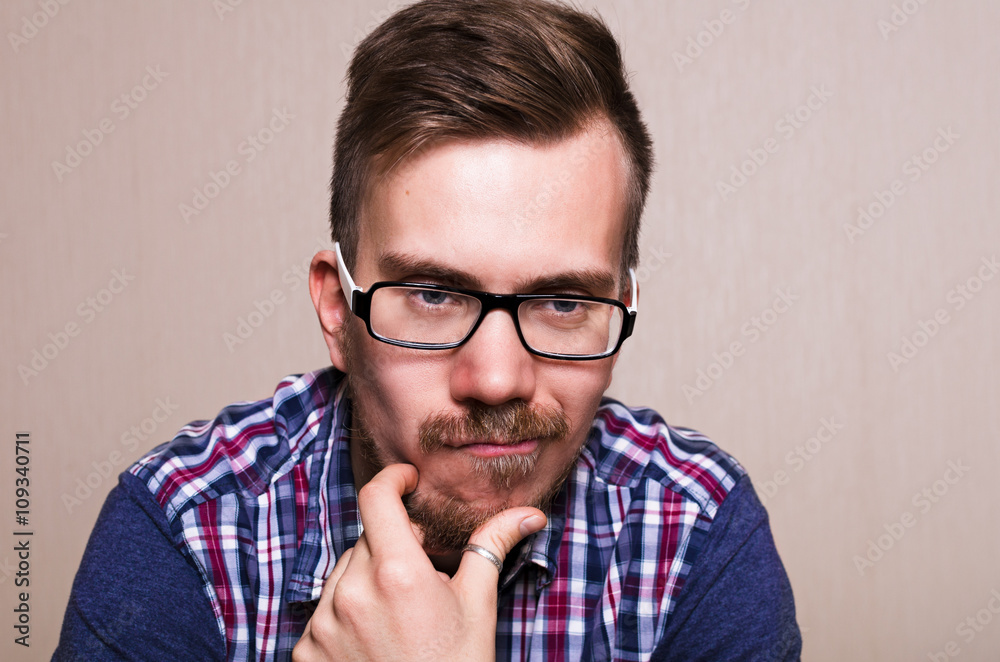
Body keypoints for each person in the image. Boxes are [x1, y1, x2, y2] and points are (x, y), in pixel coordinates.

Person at [55, 0, 801, 660]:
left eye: (563, 302)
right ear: (337, 311)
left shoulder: (695, 536)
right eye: (434, 295)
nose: (498, 379)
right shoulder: (186, 534)